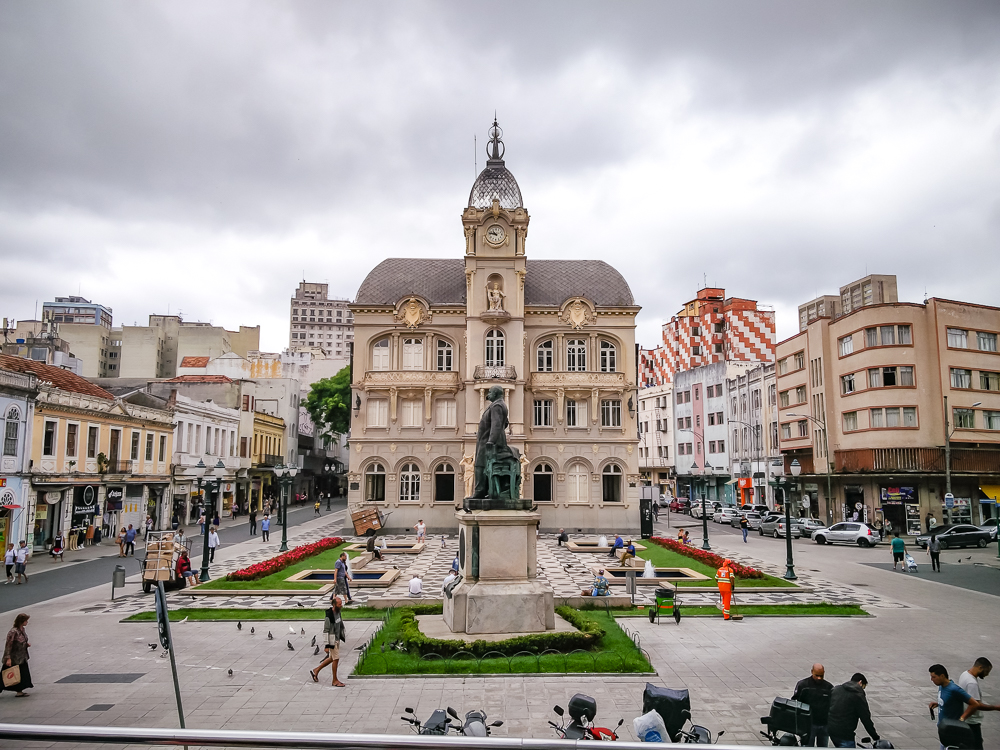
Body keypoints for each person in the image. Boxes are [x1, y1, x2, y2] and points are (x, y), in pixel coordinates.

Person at [929, 664, 992, 735]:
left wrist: (962, 719)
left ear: (942, 676)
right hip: (943, 728)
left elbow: (974, 704)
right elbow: (950, 700)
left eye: (934, 677)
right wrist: (939, 703)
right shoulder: (942, 686)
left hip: (952, 730)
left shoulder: (954, 689)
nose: (932, 679)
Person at [957, 657, 1000, 750]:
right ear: (980, 667)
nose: (987, 674)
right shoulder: (972, 683)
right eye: (987, 671)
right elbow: (976, 705)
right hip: (971, 721)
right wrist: (996, 707)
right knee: (976, 746)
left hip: (966, 719)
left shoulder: (964, 674)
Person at [828, 673, 880, 748]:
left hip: (831, 730)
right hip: (845, 734)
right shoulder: (858, 696)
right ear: (860, 682)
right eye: (863, 687)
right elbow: (865, 719)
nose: (862, 690)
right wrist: (875, 737)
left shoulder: (836, 689)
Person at [792, 663, 834, 747]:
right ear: (812, 672)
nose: (819, 678)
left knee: (823, 747)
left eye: (821, 676)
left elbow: (832, 704)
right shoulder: (803, 685)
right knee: (808, 746)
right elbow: (795, 702)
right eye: (817, 675)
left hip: (824, 724)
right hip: (808, 724)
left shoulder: (828, 687)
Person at [310, 596, 346, 687]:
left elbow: (340, 623)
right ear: (334, 605)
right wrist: (327, 646)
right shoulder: (329, 616)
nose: (341, 605)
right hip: (332, 641)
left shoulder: (338, 612)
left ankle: (316, 670)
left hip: (337, 639)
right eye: (339, 604)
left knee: (331, 658)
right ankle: (334, 680)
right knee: (336, 659)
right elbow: (326, 631)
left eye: (341, 604)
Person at [3, 613, 33, 697]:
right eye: (26, 621)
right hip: (14, 658)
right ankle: (18, 691)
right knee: (6, 674)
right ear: (21, 621)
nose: (27, 622)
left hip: (22, 657)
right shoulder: (13, 632)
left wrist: (26, 644)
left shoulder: (22, 630)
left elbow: (21, 641)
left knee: (21, 674)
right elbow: (8, 645)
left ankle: (19, 691)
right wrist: (8, 658)